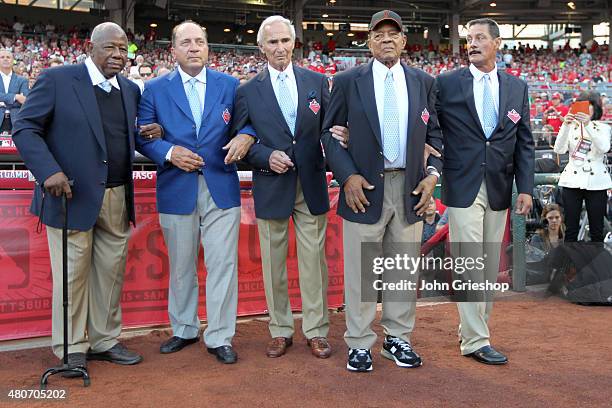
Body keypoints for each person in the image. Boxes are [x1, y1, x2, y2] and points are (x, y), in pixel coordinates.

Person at [12, 22, 162, 377]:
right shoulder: (57, 79)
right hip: (70, 196)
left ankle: (105, 340)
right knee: (72, 277)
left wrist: (151, 133)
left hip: (115, 196)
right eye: (110, 48)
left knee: (110, 275)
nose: (117, 55)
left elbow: (120, 135)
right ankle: (71, 348)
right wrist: (48, 171)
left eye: (123, 49)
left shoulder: (128, 89)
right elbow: (24, 127)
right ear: (91, 47)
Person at [321, 9, 443, 373]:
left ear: (404, 41)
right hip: (363, 187)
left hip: (409, 186)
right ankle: (359, 343)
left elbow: (436, 135)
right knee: (361, 269)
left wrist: (432, 175)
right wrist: (347, 177)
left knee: (402, 267)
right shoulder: (346, 81)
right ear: (369, 41)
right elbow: (329, 134)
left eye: (394, 34)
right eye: (379, 34)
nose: (386, 39)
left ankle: (397, 338)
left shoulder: (423, 81)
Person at [136, 21, 255, 364]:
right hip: (176, 186)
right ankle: (185, 328)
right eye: (186, 42)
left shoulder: (231, 85)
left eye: (200, 41)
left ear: (208, 48)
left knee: (223, 264)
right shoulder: (155, 89)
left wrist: (246, 135)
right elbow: (143, 136)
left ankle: (219, 336)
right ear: (173, 50)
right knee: (182, 266)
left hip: (222, 186)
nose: (193, 47)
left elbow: (247, 123)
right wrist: (170, 152)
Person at [231, 15, 348, 359]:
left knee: (314, 263)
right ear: (261, 47)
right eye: (272, 42)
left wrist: (344, 133)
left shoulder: (318, 82)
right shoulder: (247, 91)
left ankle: (316, 330)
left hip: (311, 184)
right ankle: (280, 329)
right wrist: (266, 156)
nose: (279, 48)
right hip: (272, 184)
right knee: (273, 264)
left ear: (294, 42)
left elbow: (331, 129)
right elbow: (241, 141)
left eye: (284, 41)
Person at [434, 18, 534, 365]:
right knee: (468, 261)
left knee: (489, 264)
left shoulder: (517, 87)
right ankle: (476, 339)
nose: (472, 44)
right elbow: (429, 126)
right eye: (468, 39)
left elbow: (524, 142)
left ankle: (473, 330)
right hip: (461, 184)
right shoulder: (446, 84)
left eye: (479, 38)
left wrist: (526, 188)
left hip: (499, 186)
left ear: (497, 43)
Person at [553, 91, 611, 243]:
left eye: (589, 106)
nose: (585, 109)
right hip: (572, 180)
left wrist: (588, 125)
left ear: (595, 109)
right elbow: (559, 150)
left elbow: (604, 147)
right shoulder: (571, 127)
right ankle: (570, 265)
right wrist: (565, 125)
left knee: (597, 229)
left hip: (596, 181)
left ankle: (595, 265)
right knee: (571, 229)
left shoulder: (603, 127)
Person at [0, 49, 29, 130]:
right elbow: (19, 99)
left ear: (13, 61)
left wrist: (2, 102)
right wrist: (16, 97)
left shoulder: (22, 80)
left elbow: (25, 101)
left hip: (16, 121)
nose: (5, 59)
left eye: (8, 57)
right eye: (2, 57)